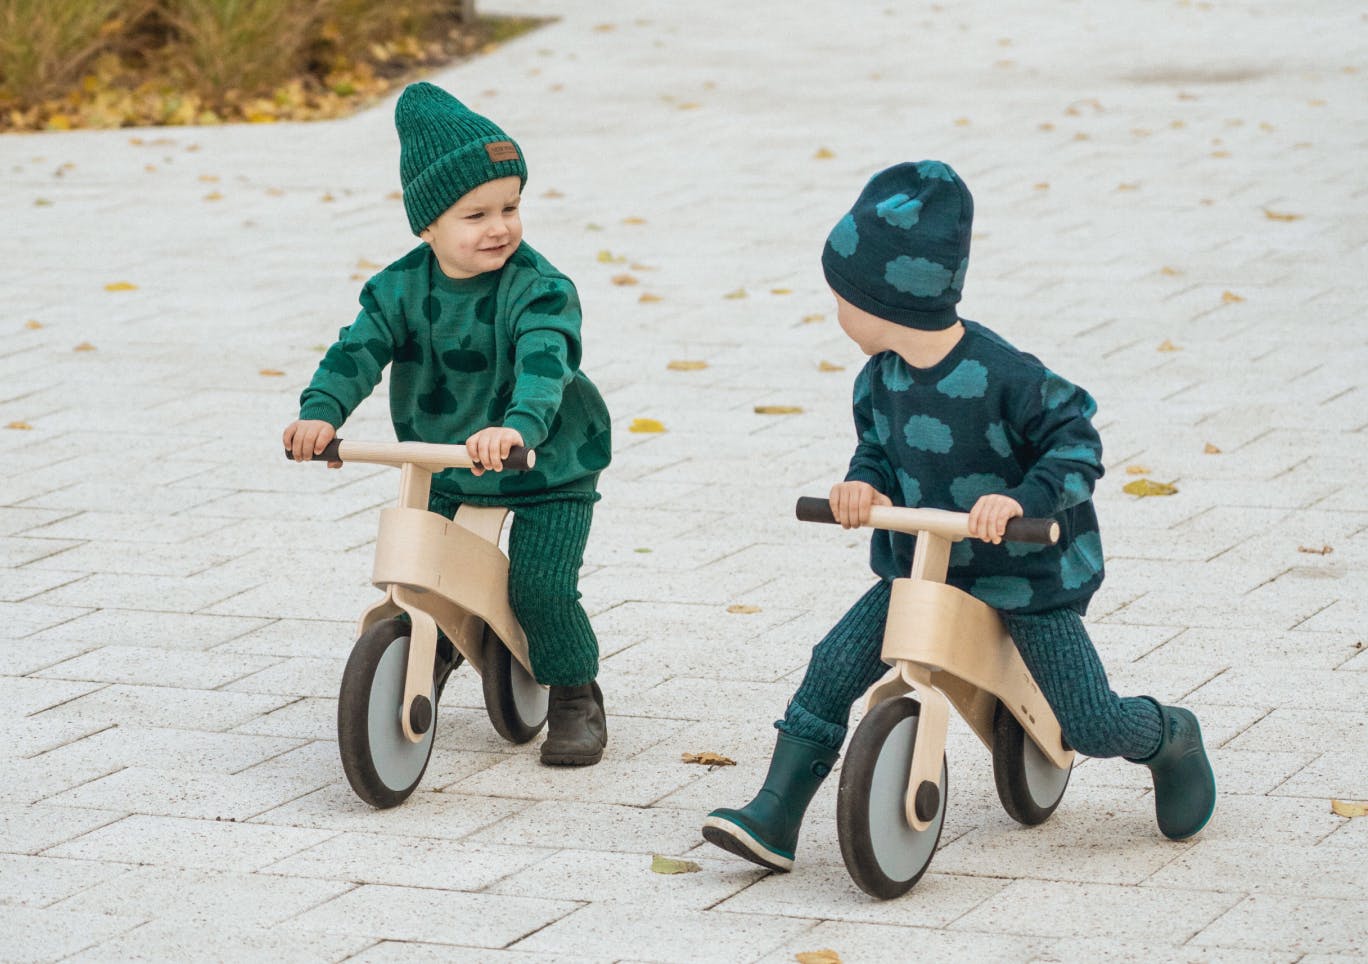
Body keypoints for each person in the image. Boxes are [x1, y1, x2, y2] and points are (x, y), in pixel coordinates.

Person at [702, 160, 1215, 870]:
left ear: (884, 298)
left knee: (1090, 723)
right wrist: (863, 488)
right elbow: (878, 453)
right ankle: (777, 813)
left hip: (1023, 575)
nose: (837, 314)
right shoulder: (878, 379)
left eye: (840, 299)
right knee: (832, 667)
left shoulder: (1009, 377)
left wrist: (1023, 501)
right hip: (926, 569)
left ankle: (1170, 735)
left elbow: (1077, 444)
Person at [283, 82, 612, 766]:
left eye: (510, 207)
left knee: (541, 586)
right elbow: (357, 350)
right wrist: (321, 412)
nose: (499, 227)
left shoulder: (538, 287)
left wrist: (519, 427)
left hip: (545, 458)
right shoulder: (399, 289)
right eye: (476, 214)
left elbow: (544, 359)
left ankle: (575, 692)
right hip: (445, 454)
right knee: (422, 568)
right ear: (428, 224)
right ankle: (424, 649)